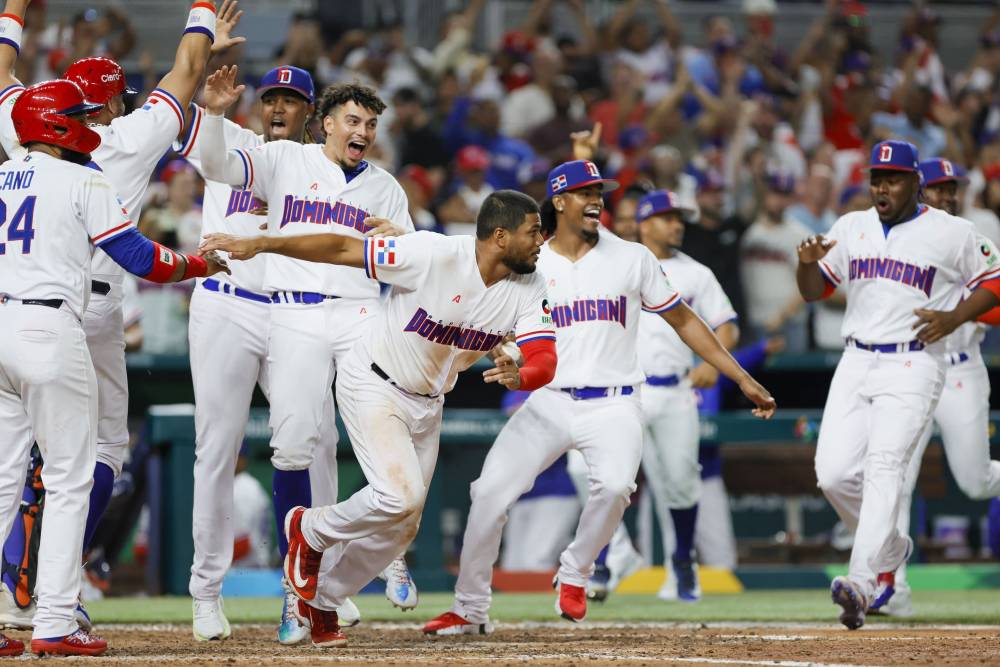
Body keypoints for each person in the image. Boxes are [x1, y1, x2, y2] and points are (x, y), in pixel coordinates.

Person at [422, 158, 775, 636]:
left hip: (615, 401)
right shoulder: (533, 259)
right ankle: (469, 607)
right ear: (559, 201)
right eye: (585, 192)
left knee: (613, 488)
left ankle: (576, 570)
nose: (596, 200)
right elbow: (492, 322)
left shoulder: (632, 257)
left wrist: (737, 376)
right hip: (548, 400)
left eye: (599, 193)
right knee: (488, 492)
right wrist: (504, 355)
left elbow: (686, 320)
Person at [201, 189, 560, 648]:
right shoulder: (433, 253)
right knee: (400, 495)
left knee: (402, 526)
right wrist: (262, 244)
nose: (541, 241)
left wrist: (523, 374)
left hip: (429, 402)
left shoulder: (531, 286)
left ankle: (324, 602)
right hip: (375, 382)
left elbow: (544, 358)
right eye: (533, 232)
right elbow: (342, 248)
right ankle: (307, 530)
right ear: (499, 235)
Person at [0, 0, 242, 632]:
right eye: (111, 103)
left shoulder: (18, 137)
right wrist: (201, 15)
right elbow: (188, 69)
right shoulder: (122, 142)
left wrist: (15, 13)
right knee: (93, 457)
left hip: (7, 314)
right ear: (102, 107)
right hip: (81, 312)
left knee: (10, 465)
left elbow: (2, 77)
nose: (112, 113)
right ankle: (54, 598)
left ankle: (14, 581)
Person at [196, 67, 419, 647]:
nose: (363, 131)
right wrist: (216, 114)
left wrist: (401, 238)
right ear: (325, 124)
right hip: (293, 313)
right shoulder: (285, 160)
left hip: (360, 315)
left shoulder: (386, 186)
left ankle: (384, 552)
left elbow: (412, 266)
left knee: (383, 438)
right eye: (353, 120)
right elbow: (221, 169)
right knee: (293, 448)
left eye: (371, 123)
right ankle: (298, 595)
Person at [175, 64, 368, 642]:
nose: (278, 108)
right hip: (227, 302)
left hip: (295, 311)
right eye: (270, 99)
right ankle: (206, 592)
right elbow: (202, 154)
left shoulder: (321, 167)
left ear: (314, 112)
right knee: (216, 447)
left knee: (319, 443)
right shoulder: (232, 140)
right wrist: (210, 104)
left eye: (292, 99)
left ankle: (324, 582)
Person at [797, 140, 1000, 630]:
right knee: (834, 474)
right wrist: (805, 262)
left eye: (892, 178)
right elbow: (813, 291)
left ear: (915, 183)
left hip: (915, 364)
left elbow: (995, 281)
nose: (881, 186)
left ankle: (866, 582)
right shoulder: (852, 226)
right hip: (855, 359)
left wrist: (954, 317)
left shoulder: (953, 231)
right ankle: (892, 549)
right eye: (876, 177)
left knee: (889, 468)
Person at [873, 158, 1000, 618]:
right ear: (920, 189)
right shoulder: (897, 239)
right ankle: (892, 585)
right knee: (896, 479)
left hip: (961, 369)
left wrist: (958, 312)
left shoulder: (972, 239)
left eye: (954, 188)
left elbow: (999, 301)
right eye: (940, 188)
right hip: (912, 366)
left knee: (975, 480)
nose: (948, 196)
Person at [634, 190, 739, 602]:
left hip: (676, 388)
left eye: (679, 217)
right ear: (644, 222)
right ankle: (605, 562)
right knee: (600, 476)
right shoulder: (621, 263)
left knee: (681, 482)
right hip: (626, 390)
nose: (676, 224)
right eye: (665, 217)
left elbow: (726, 323)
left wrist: (713, 362)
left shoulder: (696, 273)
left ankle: (682, 562)